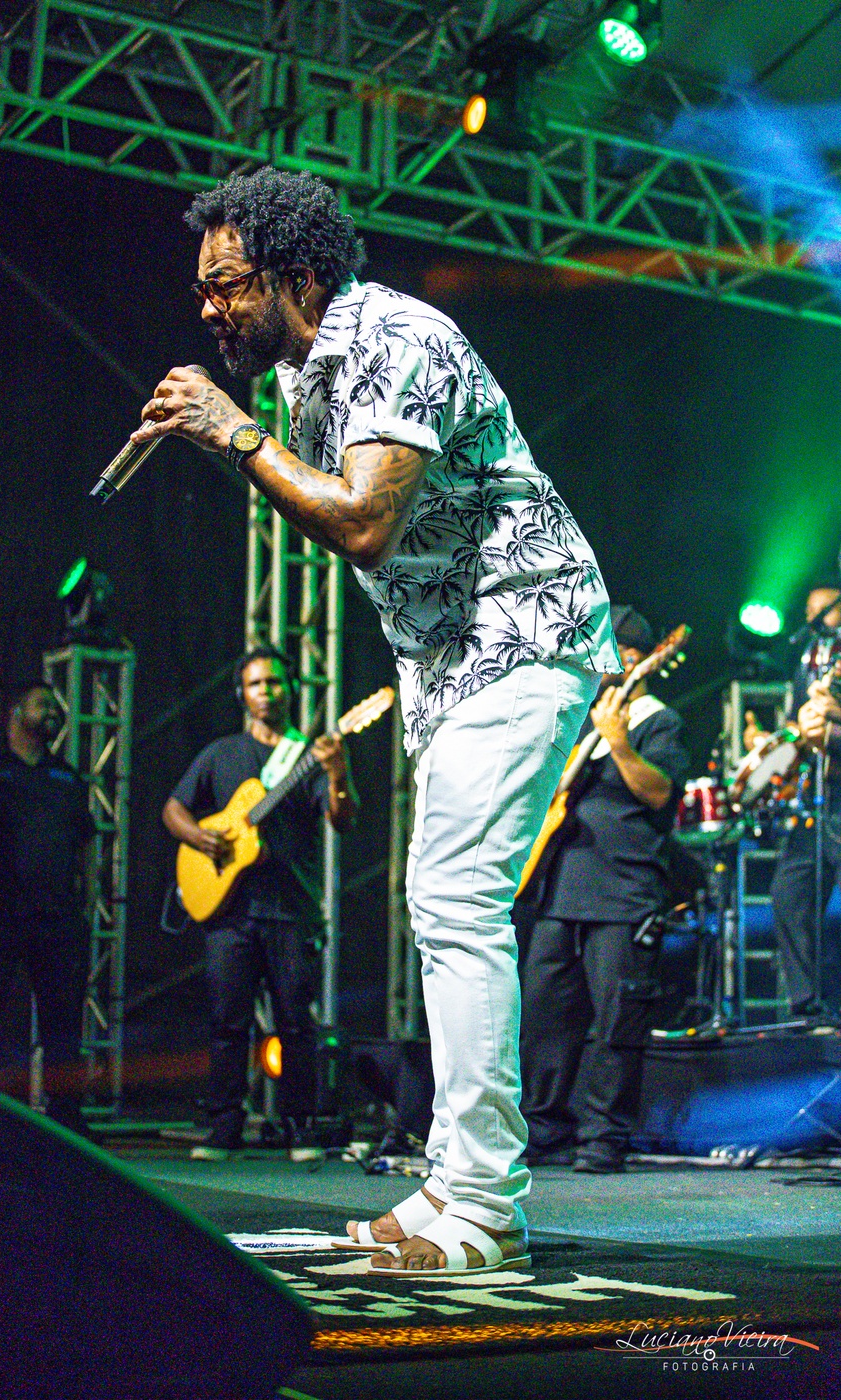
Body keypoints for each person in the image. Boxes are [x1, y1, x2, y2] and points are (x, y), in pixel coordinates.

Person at [131, 167, 618, 1275]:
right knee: (442, 906)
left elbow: (361, 524)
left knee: (454, 898)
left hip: (521, 633)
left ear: (299, 276)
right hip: (452, 665)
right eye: (203, 288)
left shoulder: (395, 338)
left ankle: (485, 1202)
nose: (207, 308)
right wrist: (243, 433)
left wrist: (233, 434)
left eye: (227, 284)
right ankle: (452, 1178)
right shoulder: (306, 376)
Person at [162, 646, 357, 1156]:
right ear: (241, 694)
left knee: (296, 1022)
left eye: (274, 682)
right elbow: (173, 809)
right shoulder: (221, 754)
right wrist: (202, 839)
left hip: (291, 910)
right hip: (229, 913)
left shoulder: (308, 756)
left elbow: (342, 819)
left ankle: (299, 1126)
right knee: (228, 1023)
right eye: (255, 684)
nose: (266, 691)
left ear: (291, 689)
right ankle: (224, 1127)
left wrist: (337, 773)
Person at [516, 606, 688, 1174]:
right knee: (545, 1020)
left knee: (617, 1024)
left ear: (630, 658)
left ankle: (603, 1138)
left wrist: (620, 743)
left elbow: (659, 793)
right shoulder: (582, 725)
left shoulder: (659, 721)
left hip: (624, 896)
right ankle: (543, 1129)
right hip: (559, 894)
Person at [0, 684, 94, 1130]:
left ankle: (65, 1118)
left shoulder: (66, 777)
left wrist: (88, 901)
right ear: (16, 711)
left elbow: (86, 842)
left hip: (56, 917)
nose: (52, 712)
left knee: (63, 1023)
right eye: (42, 704)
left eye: (55, 707)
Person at [743, 585, 841, 1021]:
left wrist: (834, 718)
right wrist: (769, 748)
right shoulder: (811, 658)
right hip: (817, 800)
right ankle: (808, 1004)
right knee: (789, 893)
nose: (814, 616)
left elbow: (832, 716)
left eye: (823, 608)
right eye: (808, 610)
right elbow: (798, 728)